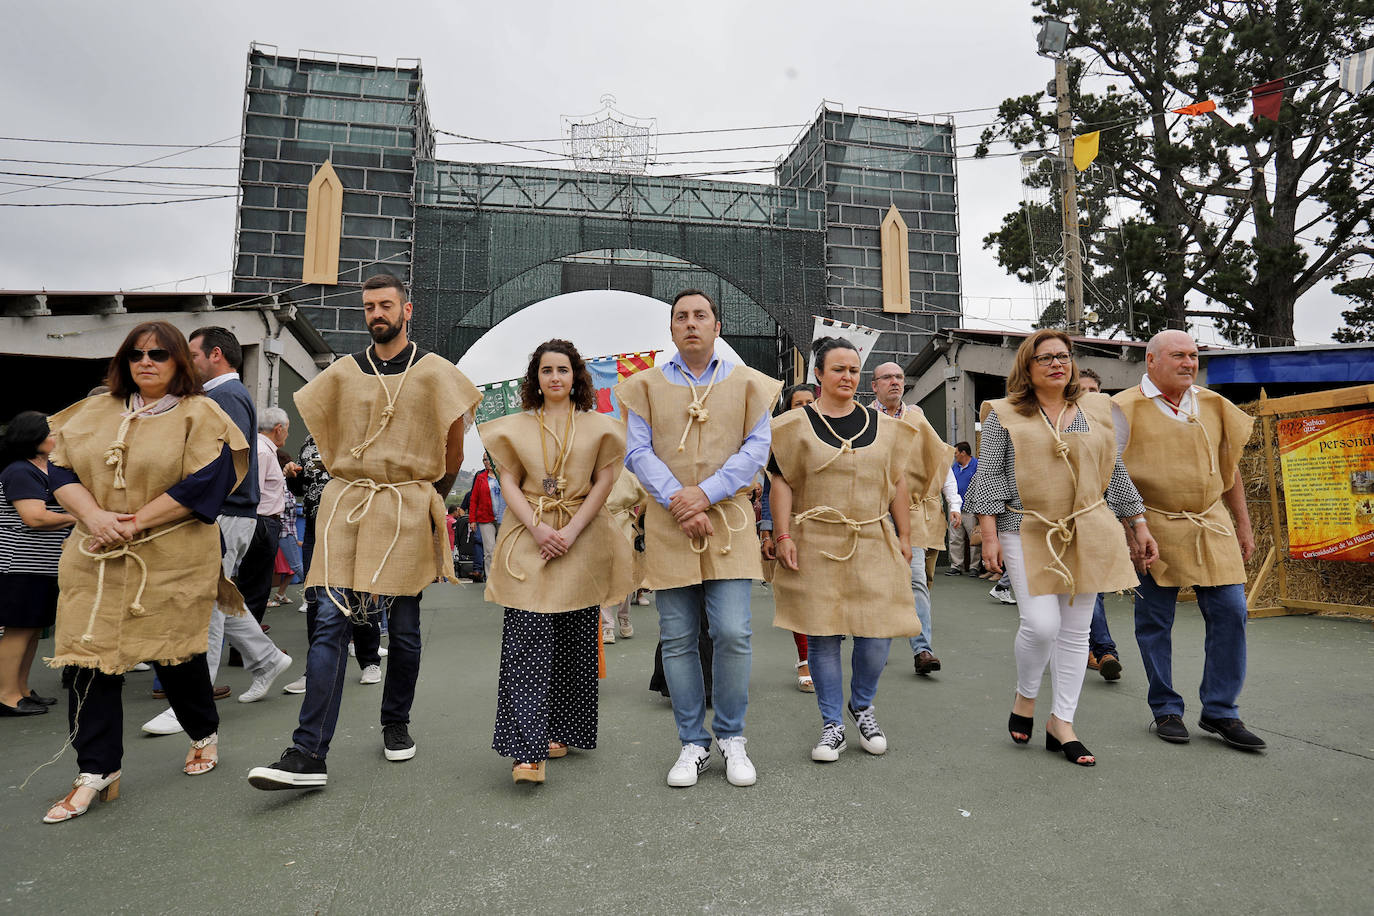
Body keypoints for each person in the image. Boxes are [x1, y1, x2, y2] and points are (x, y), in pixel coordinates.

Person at [249, 272, 480, 790]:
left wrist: (425, 497)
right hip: (346, 504)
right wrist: (356, 477)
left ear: (407, 310)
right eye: (369, 306)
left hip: (408, 504)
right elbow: (324, 437)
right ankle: (308, 753)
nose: (376, 314)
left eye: (385, 305)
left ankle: (395, 722)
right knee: (329, 622)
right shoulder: (344, 373)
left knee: (404, 631)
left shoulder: (436, 373)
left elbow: (453, 452)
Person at [40, 321, 250, 822]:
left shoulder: (203, 414)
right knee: (88, 660)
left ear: (180, 360)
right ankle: (96, 770)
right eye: (136, 354)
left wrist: (132, 523)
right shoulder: (94, 412)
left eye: (158, 353)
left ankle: (203, 732)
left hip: (170, 555)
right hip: (95, 553)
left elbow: (207, 483)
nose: (146, 361)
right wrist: (94, 517)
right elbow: (61, 471)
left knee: (175, 655)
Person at [966, 329, 1157, 768]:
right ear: (1027, 367)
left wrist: (1137, 523)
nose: (1057, 363)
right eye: (1046, 357)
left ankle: (1062, 722)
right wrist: (990, 537)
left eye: (1064, 356)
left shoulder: (1094, 410)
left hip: (1088, 526)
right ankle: (1026, 696)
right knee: (1041, 624)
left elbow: (1114, 471)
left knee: (1076, 632)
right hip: (1024, 526)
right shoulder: (1004, 413)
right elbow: (990, 477)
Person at [617, 288, 780, 788]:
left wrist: (705, 494)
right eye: (681, 317)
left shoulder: (750, 384)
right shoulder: (642, 386)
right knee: (678, 636)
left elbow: (757, 449)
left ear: (716, 327)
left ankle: (732, 736)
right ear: (671, 330)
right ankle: (692, 742)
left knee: (732, 631)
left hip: (727, 521)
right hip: (670, 524)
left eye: (701, 316)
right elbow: (636, 452)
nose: (691, 323)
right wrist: (678, 501)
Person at [479, 339, 633, 783]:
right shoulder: (514, 426)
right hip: (529, 536)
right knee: (526, 640)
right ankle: (526, 751)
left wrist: (570, 531)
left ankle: (561, 731)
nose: (555, 378)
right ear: (535, 378)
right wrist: (538, 528)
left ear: (576, 376)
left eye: (562, 370)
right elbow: (508, 480)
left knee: (574, 637)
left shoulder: (600, 427)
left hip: (581, 537)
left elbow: (604, 481)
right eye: (546, 370)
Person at [769, 338, 919, 762]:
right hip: (814, 537)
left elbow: (897, 485)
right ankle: (832, 723)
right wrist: (782, 535)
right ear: (819, 374)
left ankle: (862, 704)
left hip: (873, 536)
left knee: (878, 634)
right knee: (823, 636)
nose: (847, 377)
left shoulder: (888, 428)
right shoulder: (792, 425)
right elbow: (781, 481)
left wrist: (905, 537)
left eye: (853, 370)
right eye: (838, 369)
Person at [1113, 330, 1264, 750]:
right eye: (1178, 355)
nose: (1189, 362)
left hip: (1210, 521)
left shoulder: (1214, 405)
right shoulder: (1123, 408)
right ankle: (1165, 708)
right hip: (1152, 524)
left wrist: (1244, 525)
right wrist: (1129, 531)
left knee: (1232, 611)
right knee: (1155, 622)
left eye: (1193, 355)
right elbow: (1110, 474)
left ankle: (1221, 711)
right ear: (1151, 361)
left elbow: (1229, 469)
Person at [140, 327, 292, 734]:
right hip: (229, 511)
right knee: (219, 595)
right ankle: (267, 659)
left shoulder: (224, 396)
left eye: (193, 354)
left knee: (203, 603)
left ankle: (195, 700)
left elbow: (216, 460)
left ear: (217, 356)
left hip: (223, 512)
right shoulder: (230, 394)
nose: (188, 361)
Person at [870, 361, 960, 677]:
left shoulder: (917, 419)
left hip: (910, 513)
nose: (895, 382)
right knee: (876, 583)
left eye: (899, 377)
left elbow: (940, 463)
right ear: (874, 385)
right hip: (872, 513)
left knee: (916, 579)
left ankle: (922, 649)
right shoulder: (864, 419)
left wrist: (953, 502)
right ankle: (874, 646)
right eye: (887, 378)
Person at [280, 433, 384, 695]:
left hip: (354, 522)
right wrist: (293, 476)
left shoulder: (357, 430)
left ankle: (369, 660)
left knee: (360, 591)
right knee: (315, 595)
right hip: (317, 525)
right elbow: (305, 487)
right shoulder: (309, 438)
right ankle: (315, 671)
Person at [0, 412, 74, 716]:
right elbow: (34, 517)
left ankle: (22, 689)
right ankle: (6, 695)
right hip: (19, 565)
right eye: (51, 432)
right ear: (33, 437)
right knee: (18, 630)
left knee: (31, 630)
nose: (57, 436)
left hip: (41, 566)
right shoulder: (20, 471)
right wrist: (81, 517)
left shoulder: (44, 469)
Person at [760, 383, 817, 692]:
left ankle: (823, 657)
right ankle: (805, 661)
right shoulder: (778, 438)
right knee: (798, 596)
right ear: (789, 407)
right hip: (790, 525)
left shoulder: (835, 432)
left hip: (828, 526)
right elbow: (771, 487)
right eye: (799, 402)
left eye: (811, 401)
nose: (805, 406)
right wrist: (768, 533)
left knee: (822, 597)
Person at [1075, 367, 1123, 681]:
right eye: (1082, 390)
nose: (1089, 396)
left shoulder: (1110, 429)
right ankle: (1103, 649)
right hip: (1064, 522)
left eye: (1094, 390)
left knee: (1095, 589)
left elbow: (1119, 478)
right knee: (1085, 589)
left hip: (1101, 518)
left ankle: (1098, 650)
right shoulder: (1059, 426)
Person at [601, 467, 647, 645]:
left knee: (625, 577)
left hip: (624, 527)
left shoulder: (625, 472)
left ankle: (624, 616)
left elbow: (643, 494)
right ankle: (607, 625)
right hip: (599, 525)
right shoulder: (594, 466)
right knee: (603, 576)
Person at [270, 447, 304, 607]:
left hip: (287, 531)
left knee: (294, 566)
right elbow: (284, 507)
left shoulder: (284, 482)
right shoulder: (279, 482)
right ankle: (316, 593)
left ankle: (280, 593)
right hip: (282, 531)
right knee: (297, 566)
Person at [945, 442, 981, 576]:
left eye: (956, 453)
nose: (955, 457)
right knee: (955, 538)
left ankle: (974, 567)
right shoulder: (955, 467)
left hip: (971, 508)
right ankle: (956, 566)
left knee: (974, 537)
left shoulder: (977, 465)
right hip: (956, 509)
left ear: (963, 453)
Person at [470, 456, 499, 578]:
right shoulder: (480, 478)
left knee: (504, 550)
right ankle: (491, 580)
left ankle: (504, 579)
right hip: (485, 519)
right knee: (489, 551)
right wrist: (472, 520)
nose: (486, 462)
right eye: (484, 460)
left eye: (488, 459)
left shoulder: (504, 477)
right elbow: (473, 500)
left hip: (504, 518)